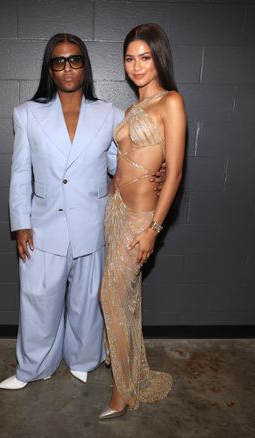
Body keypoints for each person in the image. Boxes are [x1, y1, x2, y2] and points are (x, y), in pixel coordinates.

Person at [0, 33, 124, 389]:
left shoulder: (110, 113)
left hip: (91, 224)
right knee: (38, 301)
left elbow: (117, 166)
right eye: (59, 61)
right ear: (50, 69)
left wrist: (148, 172)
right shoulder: (27, 114)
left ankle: (83, 359)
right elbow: (21, 172)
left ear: (85, 64)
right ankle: (35, 367)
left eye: (75, 60)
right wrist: (21, 224)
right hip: (43, 225)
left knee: (87, 301)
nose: (67, 68)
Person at [99, 23, 186, 419]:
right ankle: (125, 368)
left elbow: (176, 173)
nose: (136, 66)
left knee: (111, 298)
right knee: (126, 302)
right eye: (130, 58)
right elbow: (123, 163)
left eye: (145, 57)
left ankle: (123, 387)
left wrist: (153, 229)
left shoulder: (171, 102)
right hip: (115, 212)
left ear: (159, 57)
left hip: (140, 220)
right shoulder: (133, 108)